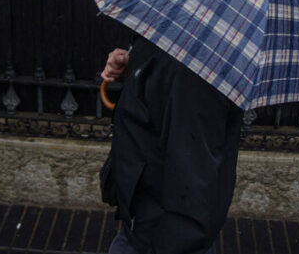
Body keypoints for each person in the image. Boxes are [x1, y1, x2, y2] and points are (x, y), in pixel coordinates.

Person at [101, 33, 244, 254]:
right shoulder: (175, 39)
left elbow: (190, 173)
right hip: (144, 218)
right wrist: (136, 63)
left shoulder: (196, 67)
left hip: (159, 233)